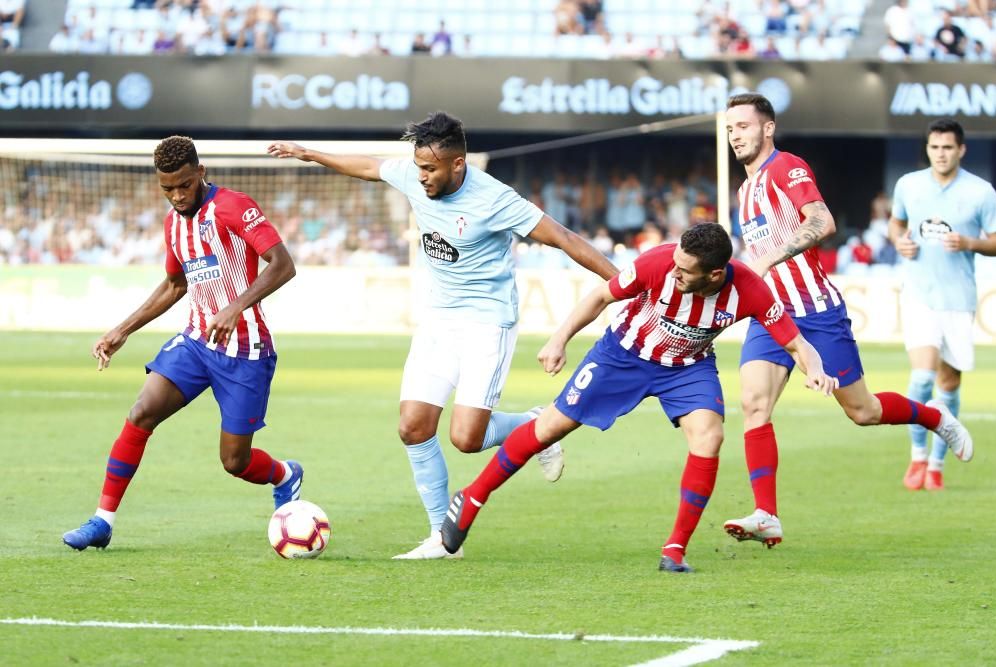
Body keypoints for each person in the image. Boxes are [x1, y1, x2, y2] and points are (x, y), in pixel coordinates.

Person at [267, 112, 618, 559]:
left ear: (458, 164)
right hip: (439, 319)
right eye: (418, 168)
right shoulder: (416, 175)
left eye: (430, 170)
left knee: (467, 439)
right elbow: (370, 166)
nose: (421, 177)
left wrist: (626, 284)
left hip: (487, 322)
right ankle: (442, 537)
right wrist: (307, 152)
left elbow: (565, 238)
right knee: (412, 427)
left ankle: (538, 425)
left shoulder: (494, 199)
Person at [439, 223, 837, 572]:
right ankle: (472, 497)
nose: (675, 271)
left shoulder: (749, 289)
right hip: (622, 356)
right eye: (676, 263)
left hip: (688, 368)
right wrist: (559, 339)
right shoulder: (657, 263)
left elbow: (798, 344)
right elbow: (599, 298)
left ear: (715, 274)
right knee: (550, 427)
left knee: (709, 437)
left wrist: (816, 369)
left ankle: (675, 550)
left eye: (685, 270)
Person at [722, 93, 974, 547]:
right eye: (730, 127)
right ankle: (767, 514)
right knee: (753, 404)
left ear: (767, 128)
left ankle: (933, 416)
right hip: (772, 313)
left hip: (816, 311)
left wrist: (768, 261)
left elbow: (822, 221)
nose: (735, 133)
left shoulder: (786, 167)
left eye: (743, 125)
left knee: (864, 411)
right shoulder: (743, 191)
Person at [63, 136, 303, 551]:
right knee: (141, 412)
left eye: (184, 186)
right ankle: (102, 521)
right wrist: (122, 329)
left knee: (235, 462)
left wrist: (234, 307)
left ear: (201, 173)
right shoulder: (173, 222)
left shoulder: (233, 206)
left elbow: (283, 265)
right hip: (195, 342)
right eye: (167, 188)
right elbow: (176, 284)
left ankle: (284, 474)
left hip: (246, 352)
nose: (176, 196)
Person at [888, 119, 996, 491]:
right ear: (928, 149)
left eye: (948, 147)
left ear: (961, 150)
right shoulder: (909, 184)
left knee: (948, 384)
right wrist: (900, 242)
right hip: (919, 293)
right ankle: (917, 458)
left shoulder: (981, 192)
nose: (941, 154)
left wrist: (969, 243)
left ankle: (937, 464)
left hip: (958, 299)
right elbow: (896, 223)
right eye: (935, 147)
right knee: (922, 377)